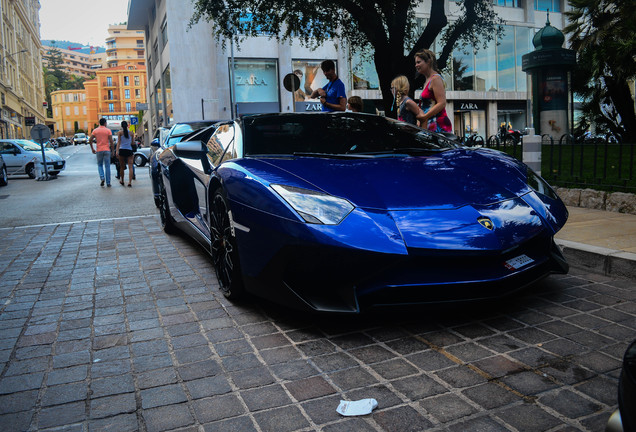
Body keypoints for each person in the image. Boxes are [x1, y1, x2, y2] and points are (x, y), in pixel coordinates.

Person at [414, 49, 452, 132]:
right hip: (429, 124)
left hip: (438, 125)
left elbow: (442, 103)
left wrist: (424, 117)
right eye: (416, 63)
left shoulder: (436, 79)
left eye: (419, 62)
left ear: (428, 62)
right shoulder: (427, 80)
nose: (416, 65)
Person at [89, 118, 114, 187]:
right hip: (107, 150)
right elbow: (111, 141)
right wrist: (113, 150)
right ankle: (108, 182)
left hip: (99, 150)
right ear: (105, 123)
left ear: (99, 123)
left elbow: (90, 140)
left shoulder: (95, 131)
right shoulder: (108, 130)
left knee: (100, 165)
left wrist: (92, 149)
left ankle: (102, 177)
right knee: (107, 166)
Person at [116, 121, 135, 187]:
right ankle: (129, 182)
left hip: (122, 150)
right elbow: (133, 143)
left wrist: (117, 151)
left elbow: (118, 142)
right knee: (130, 166)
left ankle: (122, 180)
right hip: (129, 150)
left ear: (121, 126)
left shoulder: (120, 133)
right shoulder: (131, 133)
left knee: (122, 167)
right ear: (127, 126)